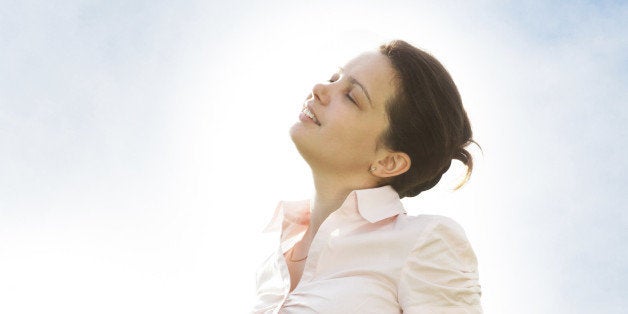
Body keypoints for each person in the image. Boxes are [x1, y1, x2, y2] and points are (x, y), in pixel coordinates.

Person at [252, 40, 483, 313]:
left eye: (352, 96)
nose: (320, 89)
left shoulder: (425, 241)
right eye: (334, 78)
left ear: (389, 161)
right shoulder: (278, 248)